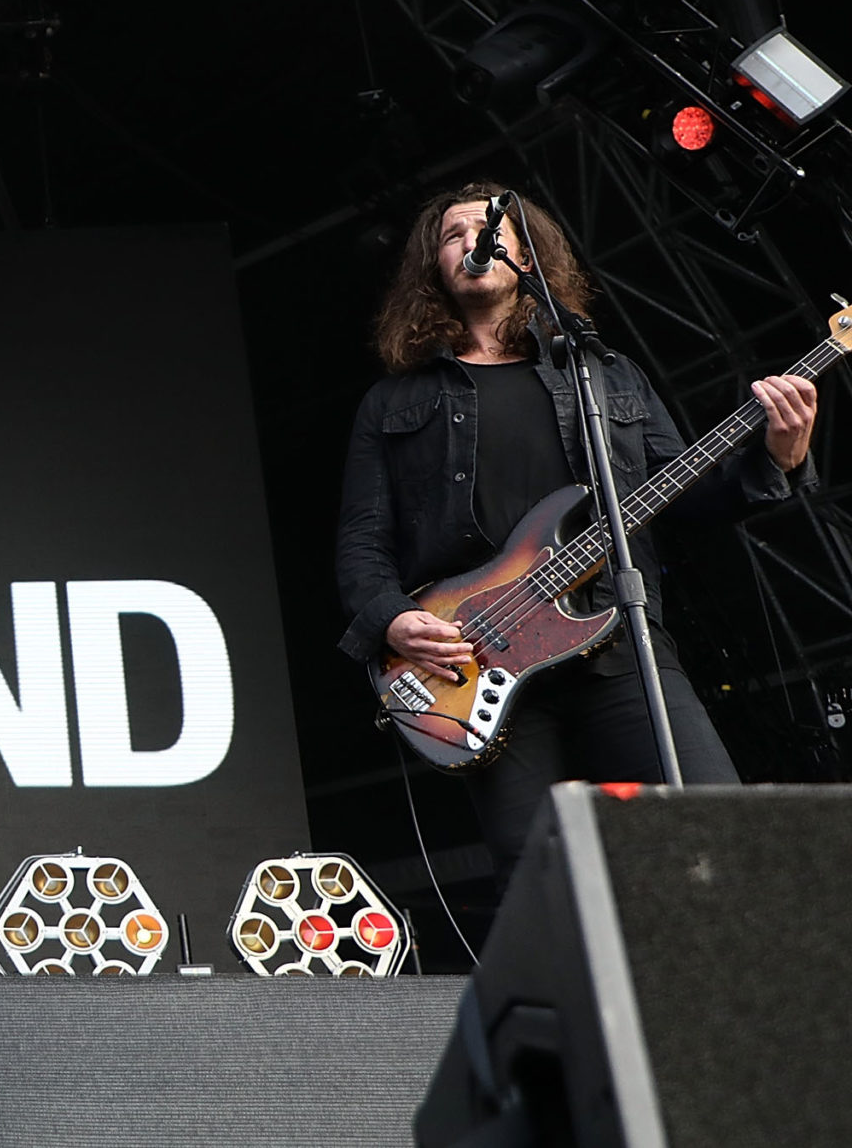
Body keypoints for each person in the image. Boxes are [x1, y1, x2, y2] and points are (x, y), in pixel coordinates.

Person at [336, 183, 818, 889]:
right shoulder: (395, 401)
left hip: (620, 646)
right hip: (474, 660)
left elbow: (686, 495)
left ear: (529, 256)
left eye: (494, 228)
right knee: (541, 878)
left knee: (715, 832)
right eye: (454, 233)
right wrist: (395, 621)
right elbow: (361, 543)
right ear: (433, 269)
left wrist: (778, 458)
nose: (476, 238)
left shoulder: (606, 376)